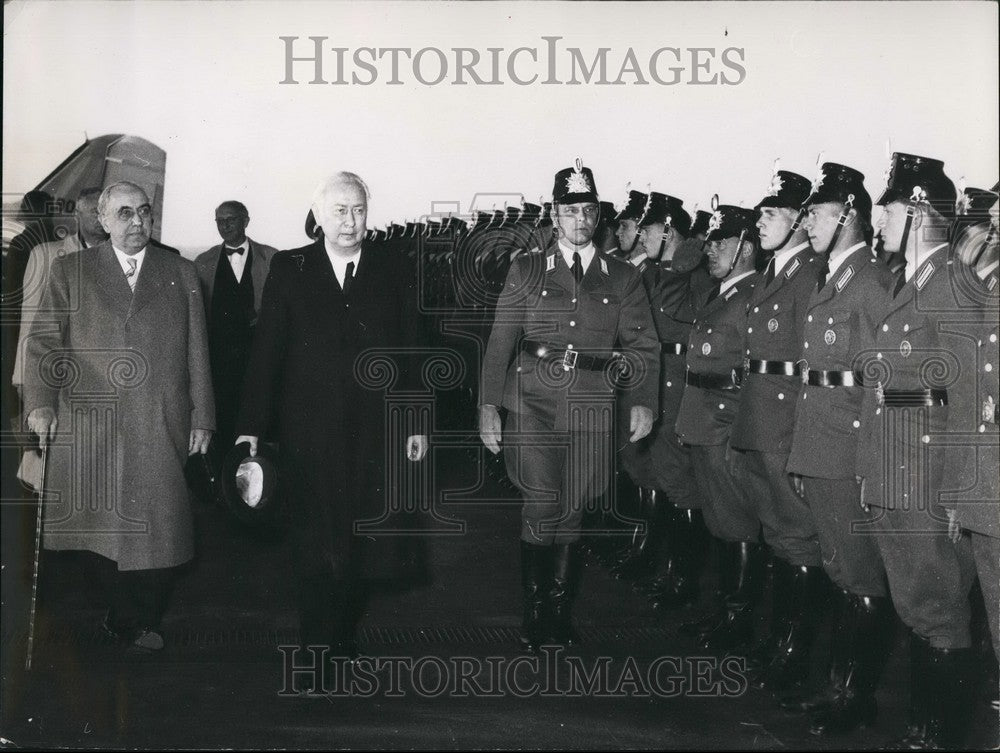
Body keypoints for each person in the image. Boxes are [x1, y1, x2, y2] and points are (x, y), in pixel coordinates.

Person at [235, 172, 428, 658]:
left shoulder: (394, 267)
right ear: (319, 216)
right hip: (309, 436)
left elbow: (414, 350)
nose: (350, 221)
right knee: (314, 541)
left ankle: (341, 630)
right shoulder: (290, 268)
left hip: (375, 436)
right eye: (339, 211)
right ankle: (318, 641)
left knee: (362, 543)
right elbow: (267, 354)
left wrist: (416, 423)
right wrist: (250, 429)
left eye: (358, 210)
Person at [23, 181, 214, 651]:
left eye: (144, 213)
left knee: (160, 526)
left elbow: (198, 352)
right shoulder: (72, 270)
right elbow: (45, 341)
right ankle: (121, 612)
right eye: (124, 213)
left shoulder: (180, 271)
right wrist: (41, 403)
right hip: (91, 417)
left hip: (159, 418)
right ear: (103, 220)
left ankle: (138, 616)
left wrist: (203, 417)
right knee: (96, 527)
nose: (136, 222)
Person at [479, 160, 659, 652]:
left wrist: (643, 401)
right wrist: (489, 406)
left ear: (598, 216)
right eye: (569, 210)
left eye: (588, 210)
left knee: (573, 508)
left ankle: (558, 614)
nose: (580, 220)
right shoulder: (528, 267)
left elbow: (642, 346)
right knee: (542, 504)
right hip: (533, 401)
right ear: (554, 216)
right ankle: (535, 615)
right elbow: (501, 341)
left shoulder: (621, 277)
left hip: (592, 404)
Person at [855, 153, 978, 748]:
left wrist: (961, 489)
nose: (877, 217)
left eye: (889, 207)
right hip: (896, 467)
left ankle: (936, 736)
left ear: (920, 211)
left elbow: (975, 391)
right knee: (916, 605)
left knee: (939, 610)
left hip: (929, 472)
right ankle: (923, 730)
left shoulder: (953, 283)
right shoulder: (912, 280)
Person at [781, 162, 895, 736]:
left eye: (818, 213)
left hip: (850, 453)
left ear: (849, 214)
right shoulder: (835, 279)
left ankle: (857, 698)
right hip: (822, 447)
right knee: (840, 573)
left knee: (861, 577)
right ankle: (838, 686)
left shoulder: (870, 283)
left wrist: (872, 465)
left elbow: (883, 385)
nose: (808, 222)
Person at [728, 166, 826, 691]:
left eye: (771, 214)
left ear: (797, 221)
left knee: (799, 538)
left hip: (786, 419)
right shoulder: (774, 270)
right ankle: (781, 638)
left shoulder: (810, 272)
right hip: (759, 413)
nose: (760, 224)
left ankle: (797, 650)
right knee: (777, 534)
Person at [673, 203, 761, 651]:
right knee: (722, 524)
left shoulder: (752, 296)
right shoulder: (723, 291)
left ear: (746, 247)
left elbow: (751, 375)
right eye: (710, 240)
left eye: (720, 241)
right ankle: (727, 609)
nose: (710, 249)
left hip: (725, 425)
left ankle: (740, 620)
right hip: (705, 421)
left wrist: (737, 434)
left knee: (738, 524)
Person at [194, 201, 277, 475]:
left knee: (259, 427)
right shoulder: (202, 263)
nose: (225, 225)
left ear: (246, 221)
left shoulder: (271, 258)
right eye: (219, 220)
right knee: (223, 426)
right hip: (219, 366)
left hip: (258, 361)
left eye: (231, 219)